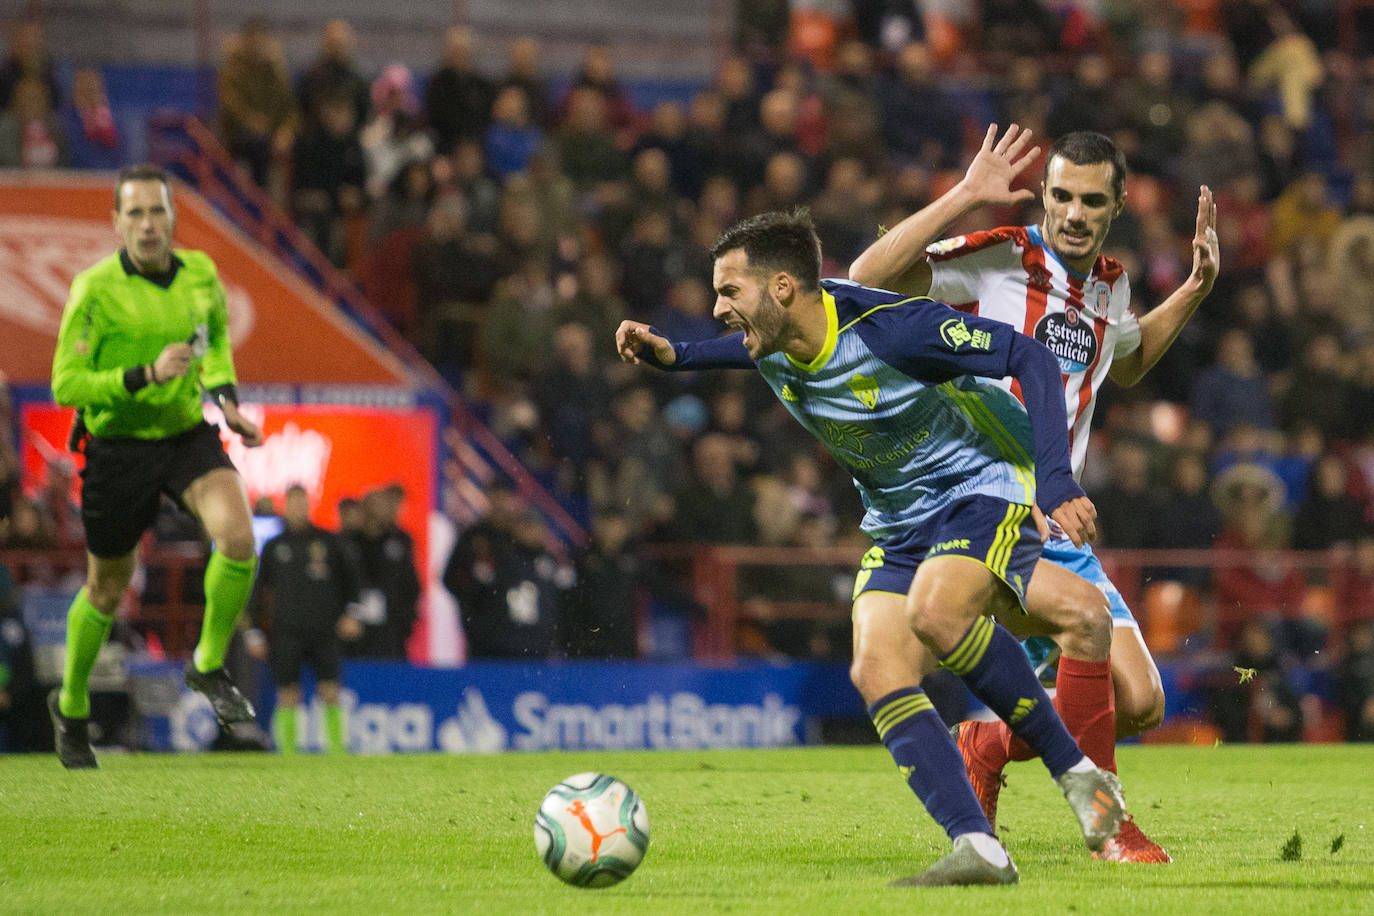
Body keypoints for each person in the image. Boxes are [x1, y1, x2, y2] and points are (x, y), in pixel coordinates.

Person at [616, 209, 1127, 886]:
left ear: (783, 290)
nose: (717, 308)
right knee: (877, 668)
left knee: (937, 615)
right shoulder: (769, 344)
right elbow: (728, 350)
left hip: (979, 487)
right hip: (897, 521)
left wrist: (1056, 477)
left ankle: (1078, 775)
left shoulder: (890, 329)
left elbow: (1027, 356)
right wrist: (676, 357)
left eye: (729, 292)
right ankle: (978, 847)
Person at [848, 124, 1220, 862]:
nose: (1073, 213)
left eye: (1091, 200)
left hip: (1060, 524)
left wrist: (1195, 288)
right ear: (1042, 196)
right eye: (1060, 196)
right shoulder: (999, 256)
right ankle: (1108, 827)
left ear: (1117, 205)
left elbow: (1132, 358)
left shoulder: (1109, 284)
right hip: (988, 509)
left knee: (1141, 704)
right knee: (1073, 646)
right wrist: (964, 194)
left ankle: (985, 742)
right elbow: (866, 277)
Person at [47, 164, 265, 769]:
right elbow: (65, 383)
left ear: (173, 218)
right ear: (116, 222)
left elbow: (214, 341)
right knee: (107, 588)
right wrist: (143, 375)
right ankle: (70, 705)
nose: (147, 224)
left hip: (182, 435)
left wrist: (227, 403)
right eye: (135, 213)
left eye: (157, 211)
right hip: (116, 446)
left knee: (239, 537)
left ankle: (207, 664)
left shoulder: (201, 274)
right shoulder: (93, 289)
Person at [247, 485, 361, 754]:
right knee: (287, 694)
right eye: (293, 503)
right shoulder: (275, 547)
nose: (298, 509)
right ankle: (288, 752)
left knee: (330, 691)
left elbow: (352, 581)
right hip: (286, 631)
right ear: (285, 506)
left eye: (303, 503)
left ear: (309, 506)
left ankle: (336, 751)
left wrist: (351, 613)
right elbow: (258, 593)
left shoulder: (329, 542)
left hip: (324, 630)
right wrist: (254, 632)